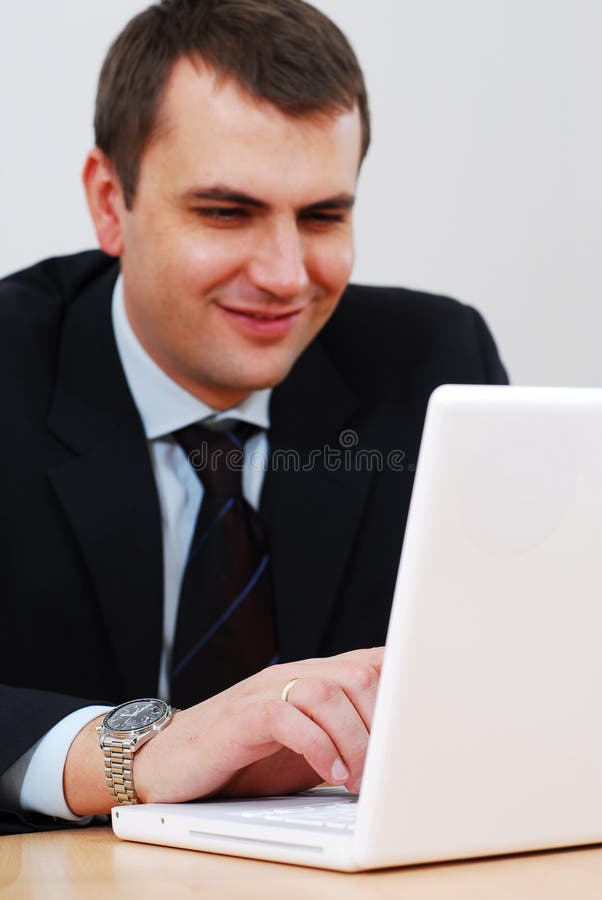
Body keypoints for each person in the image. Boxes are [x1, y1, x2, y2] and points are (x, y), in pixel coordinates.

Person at [0, 0, 507, 835]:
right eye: (226, 213)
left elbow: (516, 667)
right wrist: (148, 753)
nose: (284, 275)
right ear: (107, 200)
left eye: (323, 216)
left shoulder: (434, 361)